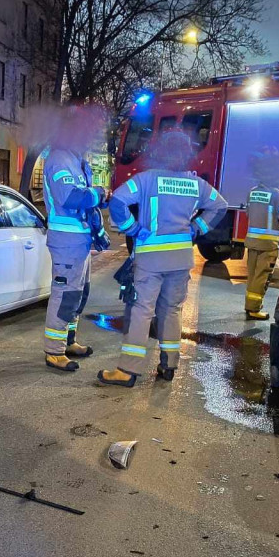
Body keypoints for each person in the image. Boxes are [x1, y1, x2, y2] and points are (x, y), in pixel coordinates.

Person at [98, 130, 228, 387]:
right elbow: (220, 206)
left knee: (142, 311)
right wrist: (196, 227)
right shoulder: (196, 184)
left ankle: (128, 370)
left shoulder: (146, 180)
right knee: (171, 310)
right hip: (180, 260)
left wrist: (132, 228)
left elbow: (117, 203)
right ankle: (169, 365)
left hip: (151, 260)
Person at [41, 105, 109, 372]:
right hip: (66, 241)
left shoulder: (76, 159)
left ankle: (68, 341)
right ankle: (54, 351)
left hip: (79, 240)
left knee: (79, 294)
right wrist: (99, 193)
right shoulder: (59, 159)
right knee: (65, 294)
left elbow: (83, 198)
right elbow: (69, 198)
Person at [244, 182, 279, 320]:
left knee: (253, 276)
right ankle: (253, 309)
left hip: (252, 241)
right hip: (268, 244)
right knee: (262, 277)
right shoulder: (277, 194)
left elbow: (248, 213)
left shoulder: (252, 192)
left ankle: (249, 305)